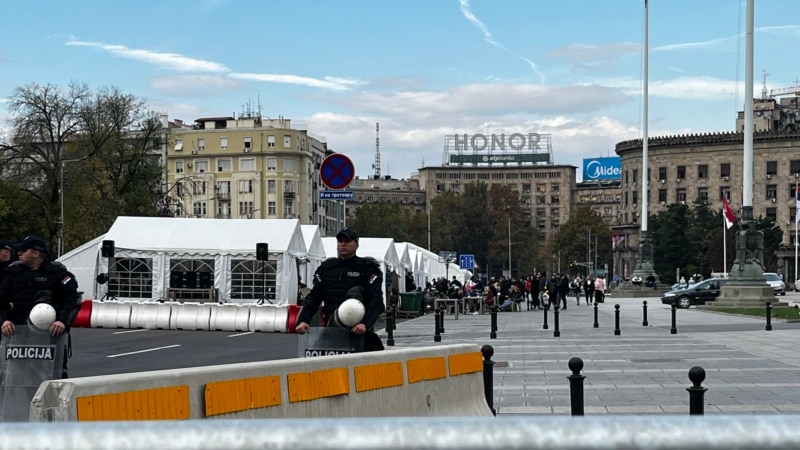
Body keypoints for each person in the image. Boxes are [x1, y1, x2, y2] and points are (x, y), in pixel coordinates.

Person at [0, 236, 81, 377]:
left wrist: (62, 321)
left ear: (36, 253)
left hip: (51, 334)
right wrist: (5, 320)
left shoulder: (58, 274)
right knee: (15, 375)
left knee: (55, 374)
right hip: (18, 334)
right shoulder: (12, 273)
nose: (18, 253)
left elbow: (72, 300)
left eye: (23, 250)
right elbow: (1, 300)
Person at [294, 228, 385, 352]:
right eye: (340, 241)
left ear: (356, 245)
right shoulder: (327, 268)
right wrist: (304, 320)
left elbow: (377, 301)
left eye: (347, 241)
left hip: (358, 331)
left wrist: (364, 323)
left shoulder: (367, 268)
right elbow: (314, 297)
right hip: (332, 330)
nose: (343, 244)